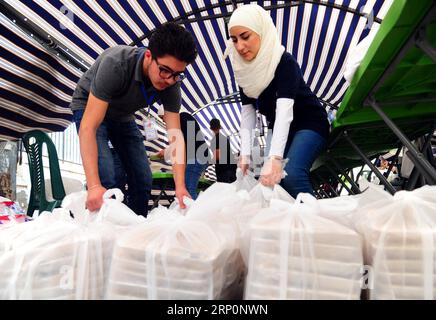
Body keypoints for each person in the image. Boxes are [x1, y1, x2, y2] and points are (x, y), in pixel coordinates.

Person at [70, 22, 197, 216]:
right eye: (164, 70)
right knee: (107, 179)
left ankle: (135, 232)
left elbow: (175, 137)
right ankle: (105, 235)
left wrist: (180, 186)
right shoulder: (116, 63)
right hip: (90, 107)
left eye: (177, 74)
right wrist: (94, 185)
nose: (169, 80)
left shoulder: (172, 84)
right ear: (148, 55)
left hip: (122, 115)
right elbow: (89, 127)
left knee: (143, 178)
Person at [225, 4, 330, 198]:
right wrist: (245, 153)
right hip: (282, 129)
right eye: (234, 40)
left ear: (262, 31)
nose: (239, 46)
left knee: (291, 175)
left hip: (309, 123)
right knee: (270, 182)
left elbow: (284, 111)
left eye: (245, 36)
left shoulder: (284, 62)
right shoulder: (244, 72)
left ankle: (321, 224)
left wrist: (275, 158)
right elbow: (247, 113)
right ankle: (295, 224)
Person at [157, 111, 209, 199]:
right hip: (199, 157)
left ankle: (196, 211)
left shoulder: (183, 117)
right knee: (188, 188)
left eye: (163, 118)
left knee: (188, 190)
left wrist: (166, 152)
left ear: (167, 114)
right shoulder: (184, 118)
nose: (164, 121)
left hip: (197, 157)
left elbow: (182, 142)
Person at [209, 118, 237, 183]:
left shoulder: (215, 140)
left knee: (225, 190)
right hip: (231, 167)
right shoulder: (224, 138)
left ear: (211, 128)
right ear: (220, 127)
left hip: (223, 170)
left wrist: (208, 163)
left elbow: (218, 156)